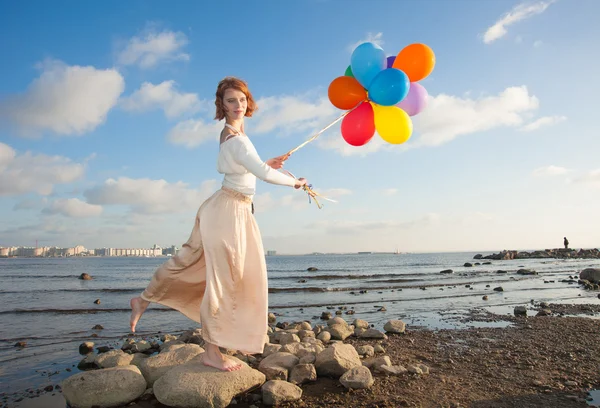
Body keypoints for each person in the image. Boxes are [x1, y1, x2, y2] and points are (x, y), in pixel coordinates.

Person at [128, 76, 307, 372]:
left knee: (196, 263)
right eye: (231, 101)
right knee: (224, 280)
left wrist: (268, 164)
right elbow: (259, 173)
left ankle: (144, 300)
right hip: (228, 213)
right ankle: (211, 351)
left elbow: (247, 168)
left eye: (242, 99)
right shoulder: (236, 139)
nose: (238, 105)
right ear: (221, 106)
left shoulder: (232, 134)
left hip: (229, 207)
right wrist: (296, 184)